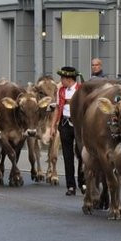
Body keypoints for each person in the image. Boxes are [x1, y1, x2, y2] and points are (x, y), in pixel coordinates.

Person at [49, 66, 81, 196]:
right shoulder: (61, 91)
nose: (61, 80)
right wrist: (53, 125)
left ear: (69, 79)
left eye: (62, 78)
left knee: (80, 154)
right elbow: (57, 108)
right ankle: (70, 185)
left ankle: (82, 181)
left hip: (79, 124)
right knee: (67, 156)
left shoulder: (81, 89)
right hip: (65, 123)